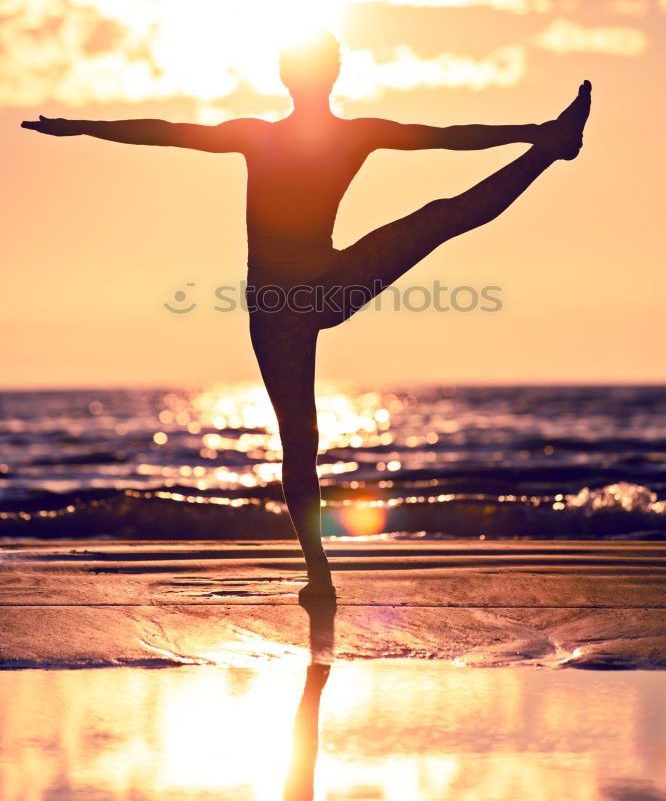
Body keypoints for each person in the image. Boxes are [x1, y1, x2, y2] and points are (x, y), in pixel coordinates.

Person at [22, 31, 591, 601]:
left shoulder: (330, 135)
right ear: (300, 77)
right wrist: (81, 127)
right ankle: (318, 575)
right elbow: (166, 136)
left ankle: (318, 574)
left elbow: (446, 139)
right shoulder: (282, 136)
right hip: (292, 303)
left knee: (438, 219)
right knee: (302, 436)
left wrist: (532, 131)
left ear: (304, 77)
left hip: (305, 291)